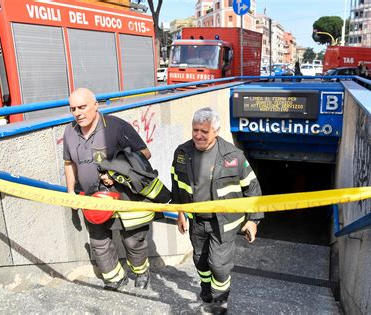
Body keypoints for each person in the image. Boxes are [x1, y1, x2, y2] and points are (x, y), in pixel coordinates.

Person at [171, 107, 263, 314]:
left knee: (219, 265)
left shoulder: (233, 155)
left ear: (216, 131)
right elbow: (177, 185)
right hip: (197, 221)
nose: (198, 135)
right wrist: (180, 213)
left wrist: (253, 220)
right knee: (200, 260)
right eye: (195, 130)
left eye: (204, 131)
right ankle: (206, 289)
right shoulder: (182, 153)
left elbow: (253, 188)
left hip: (225, 222)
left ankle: (220, 302)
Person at [63, 88, 154, 291]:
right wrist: (70, 192)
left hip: (125, 197)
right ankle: (114, 278)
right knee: (98, 241)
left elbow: (145, 154)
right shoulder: (69, 131)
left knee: (133, 240)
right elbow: (69, 163)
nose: (78, 113)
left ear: (96, 105)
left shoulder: (116, 127)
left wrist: (116, 172)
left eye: (82, 107)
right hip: (92, 199)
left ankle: (141, 272)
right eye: (73, 109)